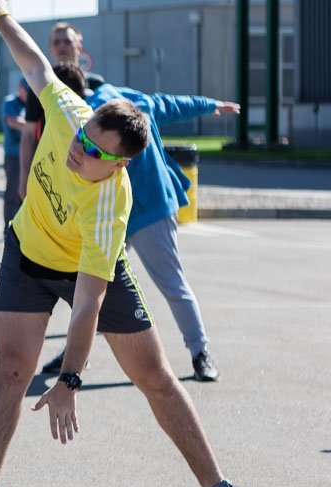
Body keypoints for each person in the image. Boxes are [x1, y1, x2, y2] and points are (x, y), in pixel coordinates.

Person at [0, 0, 272, 487]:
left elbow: (87, 302)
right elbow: (36, 64)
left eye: (95, 152)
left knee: (154, 374)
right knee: (11, 368)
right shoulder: (69, 117)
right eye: (85, 139)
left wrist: (69, 379)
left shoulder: (111, 203)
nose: (79, 151)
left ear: (120, 164)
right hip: (28, 255)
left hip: (83, 269)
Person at [40, 79, 239, 382]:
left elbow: (169, 105)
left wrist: (209, 105)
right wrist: (210, 105)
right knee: (91, 285)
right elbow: (173, 103)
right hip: (109, 217)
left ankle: (200, 353)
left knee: (170, 283)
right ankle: (76, 353)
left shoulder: (110, 112)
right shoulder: (121, 105)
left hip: (149, 212)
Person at [17, 22, 105, 206]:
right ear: (50, 49)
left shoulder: (97, 86)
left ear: (78, 47)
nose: (62, 46)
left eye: (67, 41)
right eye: (56, 42)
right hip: (51, 169)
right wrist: (24, 176)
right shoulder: (39, 87)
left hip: (89, 170)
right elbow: (28, 134)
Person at [1, 80, 28, 225]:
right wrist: (33, 127)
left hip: (28, 155)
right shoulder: (11, 102)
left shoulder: (31, 104)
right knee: (13, 193)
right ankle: (9, 227)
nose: (29, 94)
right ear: (20, 88)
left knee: (25, 195)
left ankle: (22, 227)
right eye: (27, 91)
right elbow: (14, 122)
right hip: (14, 156)